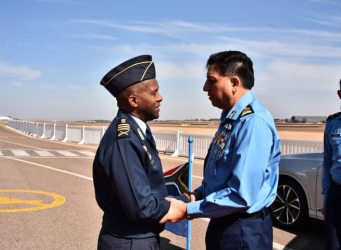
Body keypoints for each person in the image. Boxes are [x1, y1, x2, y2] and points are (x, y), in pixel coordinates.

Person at [161, 50, 281, 249]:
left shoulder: (252, 123)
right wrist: (197, 195)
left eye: (211, 80)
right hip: (225, 220)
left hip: (242, 228)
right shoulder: (231, 118)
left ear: (234, 83)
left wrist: (187, 209)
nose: (205, 87)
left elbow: (241, 195)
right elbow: (222, 174)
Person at [93, 55, 186, 250]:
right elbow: (140, 206)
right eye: (154, 92)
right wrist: (176, 206)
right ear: (134, 100)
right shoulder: (125, 140)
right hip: (130, 242)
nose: (160, 97)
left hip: (138, 238)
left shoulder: (137, 130)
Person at [322, 79, 341, 250]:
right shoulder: (333, 123)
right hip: (337, 195)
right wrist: (326, 198)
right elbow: (327, 161)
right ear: (340, 94)